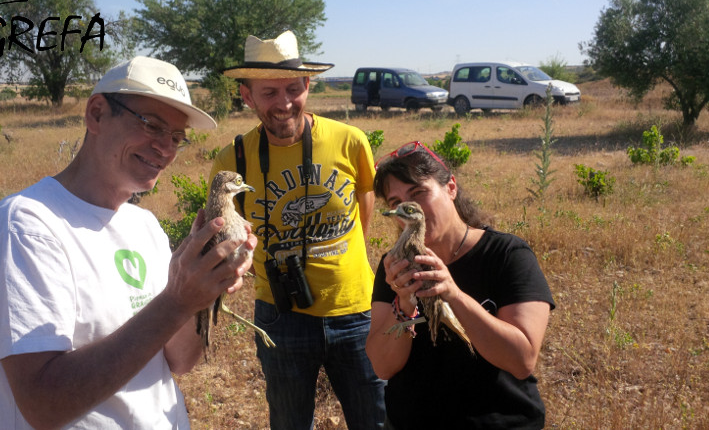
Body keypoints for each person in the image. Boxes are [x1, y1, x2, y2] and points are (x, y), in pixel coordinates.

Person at [0, 56, 257, 429]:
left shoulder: (145, 226)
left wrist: (204, 292)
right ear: (97, 114)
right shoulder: (26, 226)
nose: (165, 149)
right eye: (151, 125)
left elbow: (180, 360)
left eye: (176, 138)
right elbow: (44, 404)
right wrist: (176, 301)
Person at [210, 30, 385, 429]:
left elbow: (364, 213)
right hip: (279, 315)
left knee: (376, 419)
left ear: (308, 85)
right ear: (246, 95)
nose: (284, 103)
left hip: (356, 309)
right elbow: (226, 231)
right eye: (268, 93)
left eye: (293, 88)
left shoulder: (350, 141)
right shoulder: (231, 159)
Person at [365, 141, 555, 429]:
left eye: (418, 193)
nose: (408, 208)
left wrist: (453, 294)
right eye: (396, 203)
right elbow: (382, 365)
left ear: (451, 187)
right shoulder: (393, 267)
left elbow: (522, 360)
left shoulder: (506, 255)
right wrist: (404, 304)